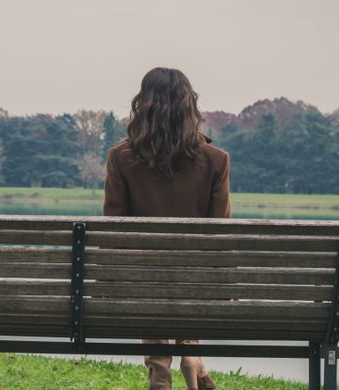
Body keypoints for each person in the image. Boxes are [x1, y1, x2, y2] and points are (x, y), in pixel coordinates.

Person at [103, 67, 230, 390]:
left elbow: (113, 237)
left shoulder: (120, 158)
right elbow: (219, 241)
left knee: (146, 272)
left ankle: (159, 369)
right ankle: (190, 353)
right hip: (195, 285)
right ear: (190, 107)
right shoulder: (216, 160)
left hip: (143, 284)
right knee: (190, 270)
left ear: (143, 105)